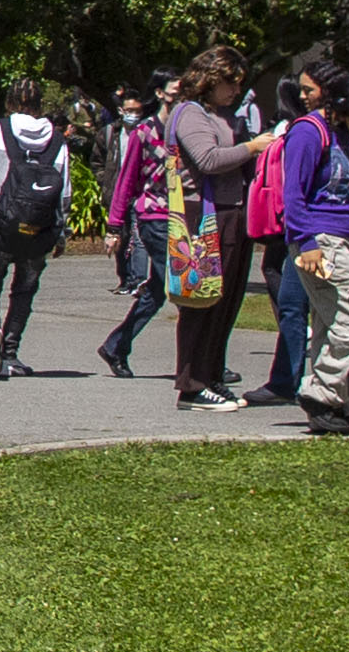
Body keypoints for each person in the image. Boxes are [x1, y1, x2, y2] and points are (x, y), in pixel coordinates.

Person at [274, 51, 349, 436]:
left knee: (331, 325)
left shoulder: (342, 134)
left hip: (344, 237)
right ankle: (320, 392)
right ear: (343, 106)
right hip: (319, 241)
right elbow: (294, 195)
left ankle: (341, 407)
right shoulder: (308, 131)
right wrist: (306, 243)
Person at [157, 50, 263, 409]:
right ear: (211, 79)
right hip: (204, 215)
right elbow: (208, 159)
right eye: (230, 82)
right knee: (202, 301)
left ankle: (211, 375)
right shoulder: (190, 113)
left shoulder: (216, 114)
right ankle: (192, 383)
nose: (236, 90)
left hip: (228, 212)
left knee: (224, 302)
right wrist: (253, 147)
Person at [0, 74, 71, 379]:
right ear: (39, 103)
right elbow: (65, 193)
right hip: (39, 231)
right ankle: (9, 351)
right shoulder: (57, 140)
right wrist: (60, 234)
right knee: (25, 290)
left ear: (10, 101)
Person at [95, 78, 177, 379]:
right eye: (174, 92)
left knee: (157, 291)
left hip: (183, 218)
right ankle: (203, 363)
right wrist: (115, 226)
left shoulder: (187, 130)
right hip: (155, 217)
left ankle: (116, 345)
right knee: (186, 287)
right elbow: (126, 181)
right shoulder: (145, 133)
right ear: (159, 93)